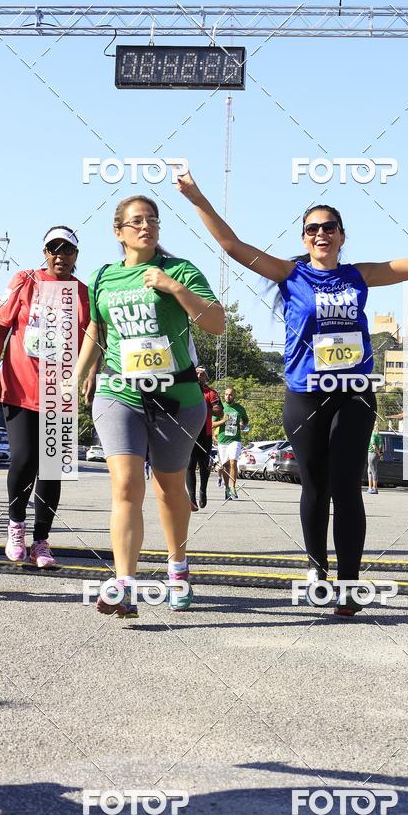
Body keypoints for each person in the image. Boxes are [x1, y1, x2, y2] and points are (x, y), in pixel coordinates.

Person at [178, 171, 408, 616]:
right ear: (305, 237)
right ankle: (317, 570)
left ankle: (350, 584)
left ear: (341, 236)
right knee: (315, 488)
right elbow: (232, 246)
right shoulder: (290, 273)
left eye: (329, 227)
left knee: (347, 487)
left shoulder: (358, 276)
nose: (321, 234)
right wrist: (197, 197)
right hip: (305, 395)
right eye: (312, 229)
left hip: (354, 393)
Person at [76, 194, 224, 618]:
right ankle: (125, 583)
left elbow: (216, 324)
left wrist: (173, 288)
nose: (147, 227)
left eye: (153, 220)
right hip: (118, 392)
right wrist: (76, 377)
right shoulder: (103, 277)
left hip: (177, 397)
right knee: (125, 485)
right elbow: (95, 329)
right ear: (118, 231)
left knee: (168, 488)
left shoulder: (180, 270)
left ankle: (178, 569)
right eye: (137, 221)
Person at [0, 227, 92, 568]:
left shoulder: (83, 293)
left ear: (76, 254)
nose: (60, 255)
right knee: (26, 459)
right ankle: (16, 527)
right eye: (52, 248)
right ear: (44, 252)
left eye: (67, 249)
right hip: (18, 387)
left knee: (53, 470)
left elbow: (92, 338)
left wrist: (89, 374)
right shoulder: (25, 281)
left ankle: (41, 543)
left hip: (59, 393)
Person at [186, 366, 222, 511]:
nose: (199, 375)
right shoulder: (186, 391)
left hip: (205, 433)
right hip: (189, 433)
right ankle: (191, 498)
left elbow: (219, 411)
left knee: (203, 465)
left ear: (206, 377)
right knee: (190, 465)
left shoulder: (211, 393)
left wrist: (202, 406)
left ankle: (203, 491)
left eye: (202, 374)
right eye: (196, 373)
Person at [212, 387, 249, 501]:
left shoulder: (239, 408)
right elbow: (212, 424)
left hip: (235, 440)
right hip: (223, 441)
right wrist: (223, 421)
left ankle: (233, 487)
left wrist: (243, 424)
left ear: (234, 396)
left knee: (233, 462)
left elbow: (246, 420)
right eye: (226, 394)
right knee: (225, 466)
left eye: (231, 395)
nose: (228, 396)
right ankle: (227, 489)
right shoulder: (219, 408)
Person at [367, 424, 384, 494]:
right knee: (369, 470)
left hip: (372, 454)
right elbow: (383, 446)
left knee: (373, 470)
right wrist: (381, 454)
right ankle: (370, 487)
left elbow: (374, 445)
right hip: (377, 455)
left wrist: (378, 453)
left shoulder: (373, 435)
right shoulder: (380, 436)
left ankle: (374, 488)